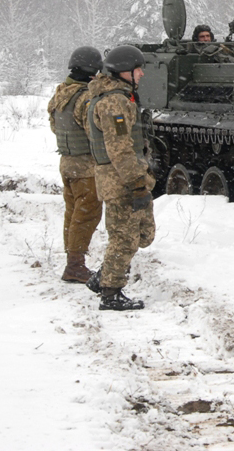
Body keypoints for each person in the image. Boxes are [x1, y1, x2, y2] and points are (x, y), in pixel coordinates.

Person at [85, 45, 155, 311]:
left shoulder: (120, 98)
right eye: (137, 70)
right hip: (122, 181)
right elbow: (120, 150)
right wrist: (137, 184)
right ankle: (111, 293)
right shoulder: (114, 102)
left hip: (124, 178)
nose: (142, 75)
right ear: (124, 72)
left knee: (143, 234)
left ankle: (103, 276)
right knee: (124, 238)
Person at [46, 46, 104, 283]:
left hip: (67, 162)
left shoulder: (61, 93)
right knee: (87, 213)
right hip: (86, 166)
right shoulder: (86, 98)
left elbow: (54, 125)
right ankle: (75, 265)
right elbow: (95, 133)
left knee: (72, 213)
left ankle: (73, 260)